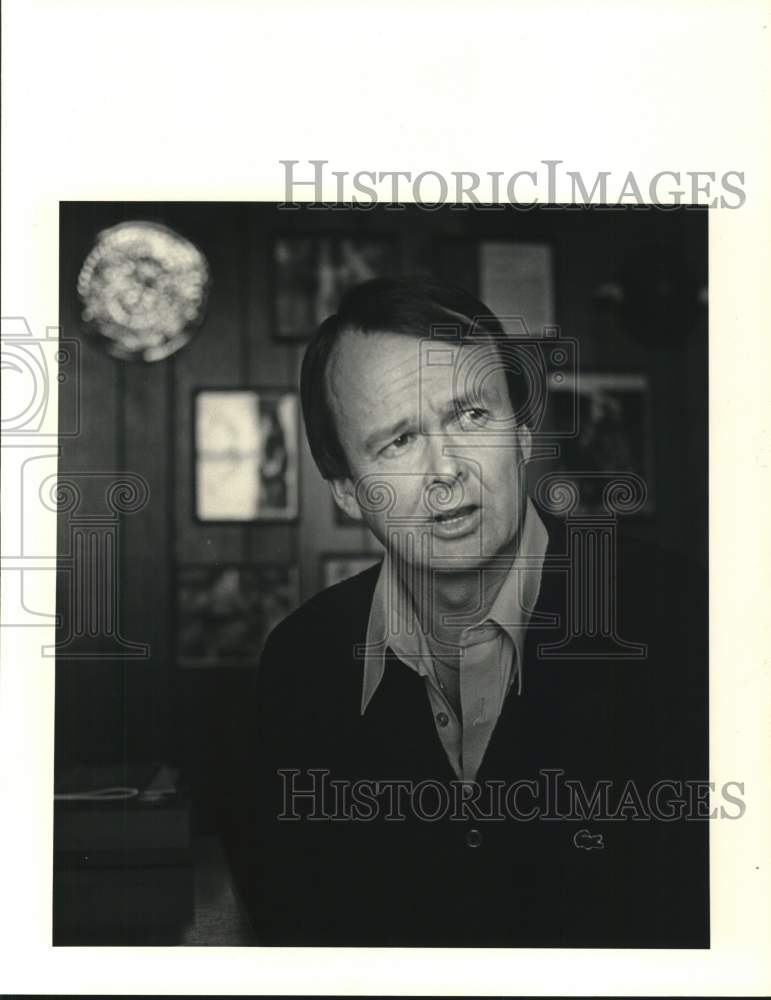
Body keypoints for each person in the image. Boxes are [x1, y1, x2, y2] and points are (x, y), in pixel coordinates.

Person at [224, 277, 708, 948]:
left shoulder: (690, 619)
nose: (444, 471)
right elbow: (293, 925)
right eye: (397, 442)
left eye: (470, 416)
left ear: (521, 433)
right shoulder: (300, 662)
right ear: (344, 490)